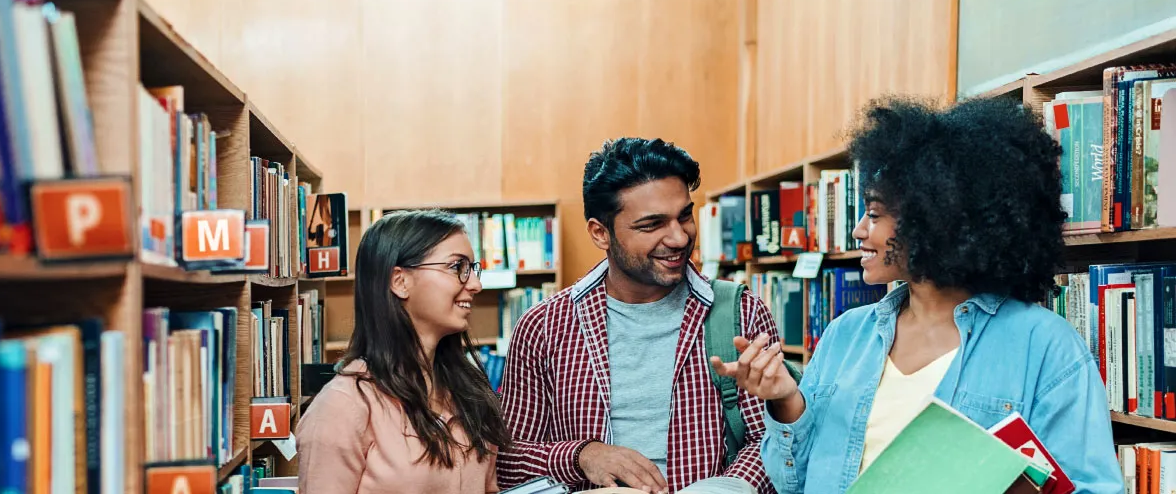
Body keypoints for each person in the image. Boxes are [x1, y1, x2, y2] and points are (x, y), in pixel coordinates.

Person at [711, 96, 1124, 493]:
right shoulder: (845, 336)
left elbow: (1093, 488)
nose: (858, 231)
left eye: (874, 215)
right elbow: (792, 484)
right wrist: (786, 400)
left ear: (937, 220)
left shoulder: (1045, 347)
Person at [498, 137, 782, 494]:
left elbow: (774, 440)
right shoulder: (544, 327)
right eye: (651, 225)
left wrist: (725, 488)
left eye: (684, 216)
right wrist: (583, 456)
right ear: (600, 233)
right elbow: (507, 460)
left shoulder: (741, 312)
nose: (679, 238)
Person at [296, 209, 509, 494]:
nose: (475, 285)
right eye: (456, 267)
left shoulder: (467, 393)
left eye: (473, 269)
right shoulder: (342, 406)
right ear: (400, 281)